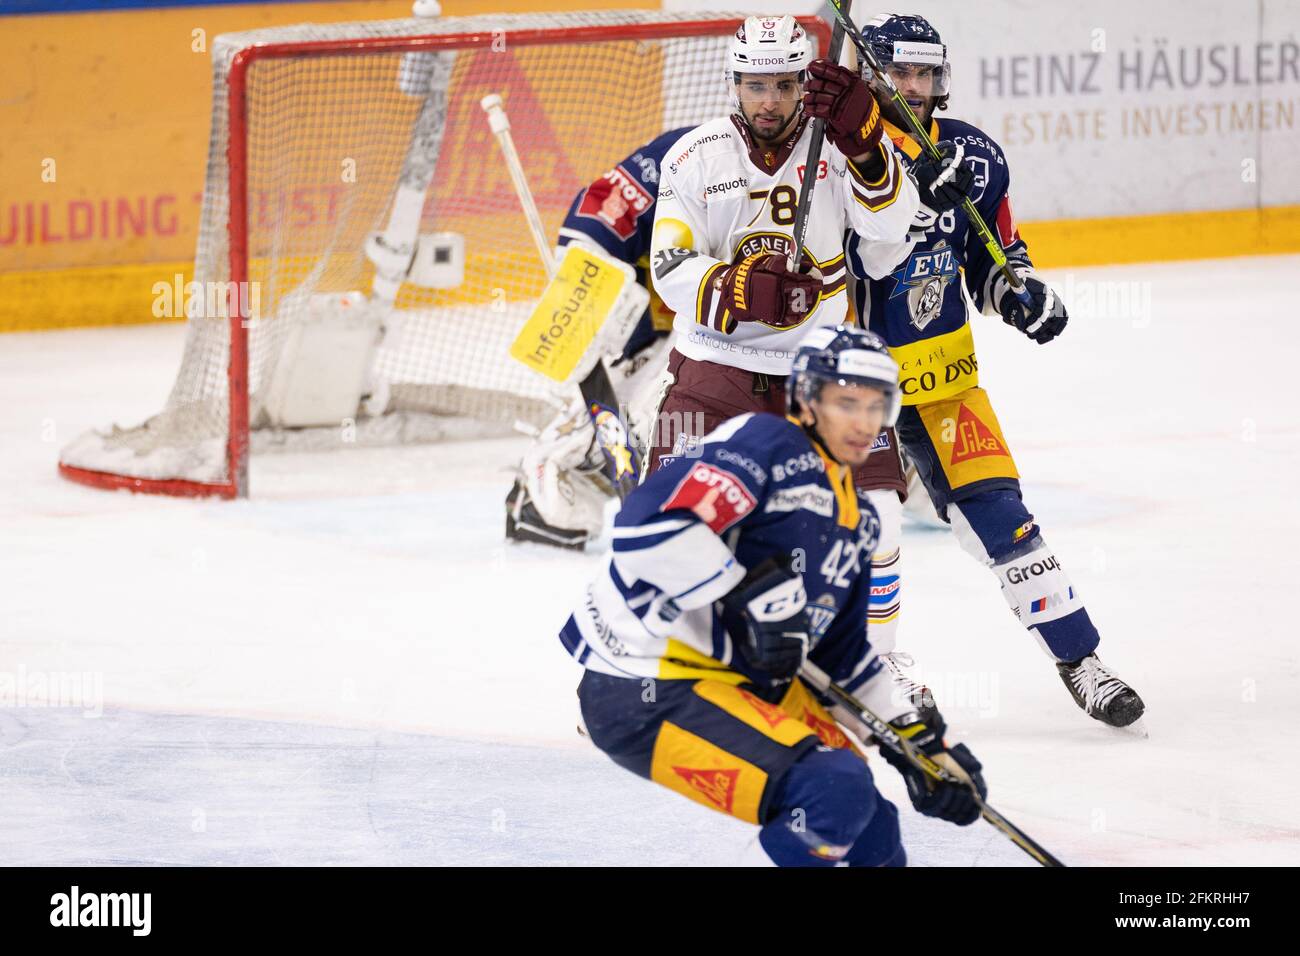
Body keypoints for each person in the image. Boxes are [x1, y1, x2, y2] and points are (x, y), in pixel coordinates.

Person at [558, 326, 987, 866]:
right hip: (641, 682)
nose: (863, 421)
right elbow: (645, 529)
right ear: (806, 399)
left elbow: (843, 658)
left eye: (878, 405)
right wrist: (750, 593)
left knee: (873, 829)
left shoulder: (853, 520)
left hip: (731, 682)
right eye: (846, 402)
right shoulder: (766, 443)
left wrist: (919, 742)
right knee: (835, 788)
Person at [845, 14, 1145, 727]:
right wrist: (908, 195)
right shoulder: (835, 157)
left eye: (924, 74)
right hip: (852, 391)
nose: (912, 88)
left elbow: (993, 257)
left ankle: (1081, 660)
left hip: (945, 379)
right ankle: (868, 676)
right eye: (899, 72)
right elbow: (839, 262)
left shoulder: (975, 156)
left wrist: (1019, 293)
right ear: (872, 75)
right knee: (865, 532)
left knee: (1006, 523)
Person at [506, 127, 691, 549]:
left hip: (774, 343)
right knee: (653, 423)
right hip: (668, 336)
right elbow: (601, 217)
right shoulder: (698, 149)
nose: (769, 101)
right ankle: (565, 471)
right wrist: (583, 289)